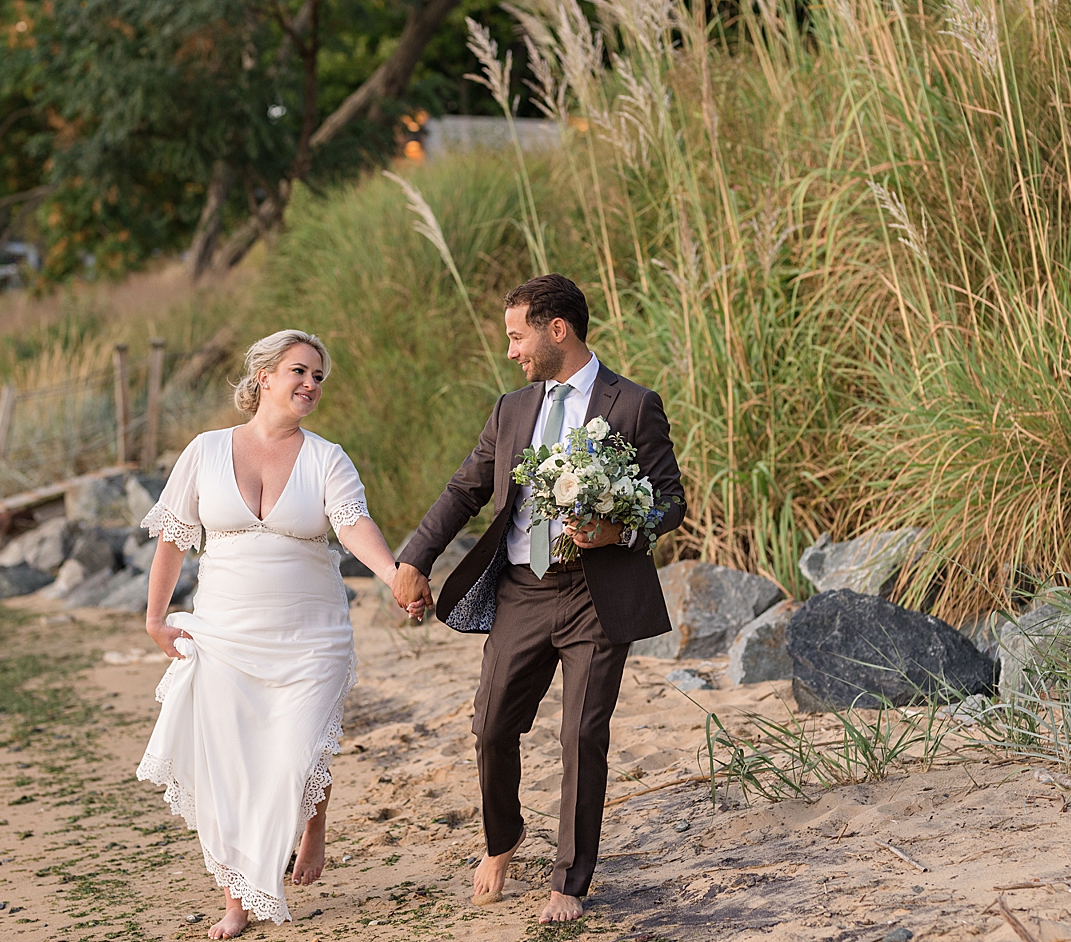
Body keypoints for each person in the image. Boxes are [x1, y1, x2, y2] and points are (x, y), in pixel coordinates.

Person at [391, 273, 686, 924]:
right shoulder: (511, 409)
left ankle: (570, 881)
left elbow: (670, 502)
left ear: (559, 330)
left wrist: (622, 529)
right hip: (522, 590)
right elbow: (463, 489)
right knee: (492, 726)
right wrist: (413, 558)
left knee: (583, 733)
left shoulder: (633, 405)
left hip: (595, 592)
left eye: (517, 335)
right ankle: (504, 838)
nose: (511, 351)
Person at [137, 330, 420, 940]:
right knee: (234, 766)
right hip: (225, 635)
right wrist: (156, 618)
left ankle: (312, 822)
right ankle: (238, 899)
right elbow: (173, 539)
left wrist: (394, 574)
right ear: (264, 375)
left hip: (311, 635)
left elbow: (352, 524)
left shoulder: (326, 457)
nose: (311, 385)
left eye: (319, 377)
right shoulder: (206, 450)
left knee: (295, 752)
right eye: (300, 372)